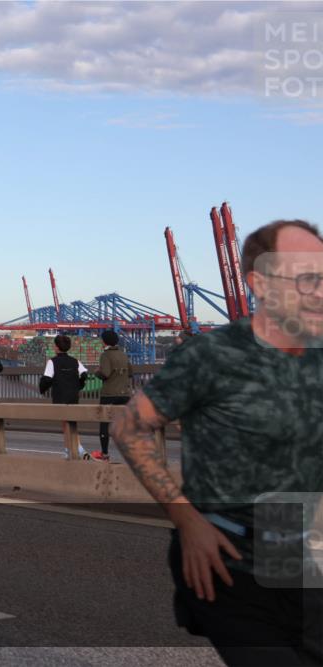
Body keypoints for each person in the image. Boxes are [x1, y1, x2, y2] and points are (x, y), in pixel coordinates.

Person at [112, 219, 323, 666]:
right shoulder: (214, 356)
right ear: (259, 283)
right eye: (305, 277)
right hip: (230, 563)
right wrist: (188, 522)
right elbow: (130, 427)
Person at [39, 334, 88, 459]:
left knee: (65, 423)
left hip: (60, 395)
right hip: (73, 395)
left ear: (56, 347)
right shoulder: (75, 361)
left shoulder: (52, 362)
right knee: (72, 422)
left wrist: (42, 389)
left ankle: (73, 449)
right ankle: (73, 448)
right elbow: (84, 374)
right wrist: (79, 386)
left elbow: (47, 379)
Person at [94, 330, 133, 462]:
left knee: (105, 423)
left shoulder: (105, 355)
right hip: (125, 394)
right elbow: (131, 372)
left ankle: (104, 454)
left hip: (109, 394)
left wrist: (97, 372)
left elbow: (105, 373)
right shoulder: (123, 354)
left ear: (104, 341)